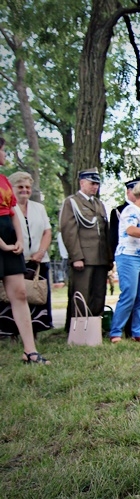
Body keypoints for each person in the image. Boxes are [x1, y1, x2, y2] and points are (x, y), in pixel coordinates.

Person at [0, 139, 51, 364]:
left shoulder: (4, 180)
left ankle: (30, 351)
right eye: (2, 150)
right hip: (2, 242)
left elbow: (12, 213)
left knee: (20, 293)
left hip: (11, 241)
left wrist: (18, 239)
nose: (4, 153)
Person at [59, 168, 112, 331]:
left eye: (97, 184)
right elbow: (69, 231)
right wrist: (76, 257)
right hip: (83, 257)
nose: (95, 187)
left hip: (100, 257)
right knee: (81, 294)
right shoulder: (72, 202)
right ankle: (79, 329)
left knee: (98, 294)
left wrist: (109, 258)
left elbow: (104, 231)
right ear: (82, 183)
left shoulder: (99, 204)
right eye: (92, 183)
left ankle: (94, 329)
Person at [3, 171, 53, 333]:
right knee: (13, 297)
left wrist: (40, 252)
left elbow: (47, 231)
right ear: (11, 188)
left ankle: (37, 331)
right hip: (16, 258)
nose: (25, 190)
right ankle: (11, 332)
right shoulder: (7, 208)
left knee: (37, 295)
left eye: (27, 187)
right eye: (20, 187)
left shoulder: (39, 208)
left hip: (39, 260)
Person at [109, 180, 140, 343]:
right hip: (128, 256)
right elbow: (131, 230)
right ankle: (115, 332)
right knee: (129, 294)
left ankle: (138, 332)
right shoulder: (130, 210)